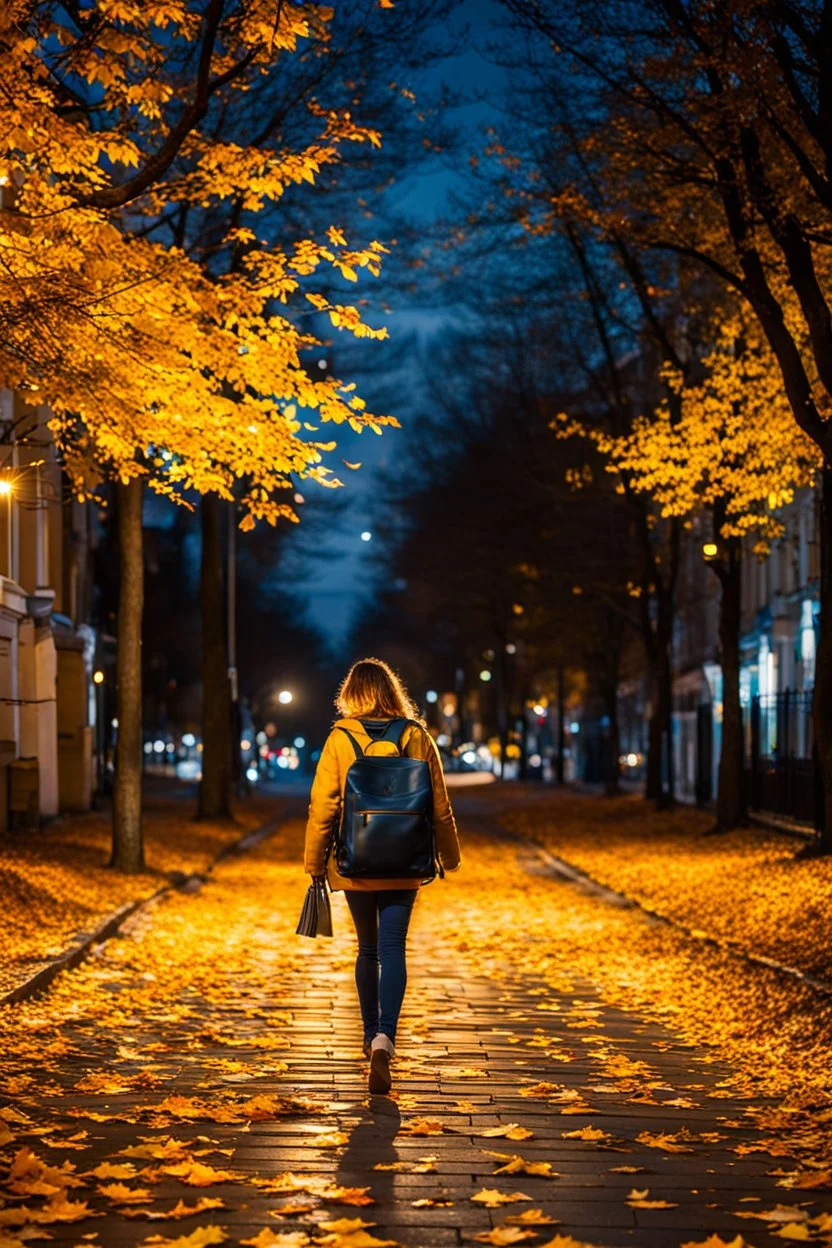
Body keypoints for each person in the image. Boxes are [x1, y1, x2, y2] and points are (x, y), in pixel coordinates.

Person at [304, 657, 461, 1094]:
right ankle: (385, 1038)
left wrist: (315, 863)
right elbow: (439, 804)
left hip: (357, 860)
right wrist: (449, 857)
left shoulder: (340, 738)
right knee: (394, 947)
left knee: (367, 948)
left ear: (351, 694)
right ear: (394, 692)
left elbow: (324, 807)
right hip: (407, 861)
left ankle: (367, 1031)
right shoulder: (415, 735)